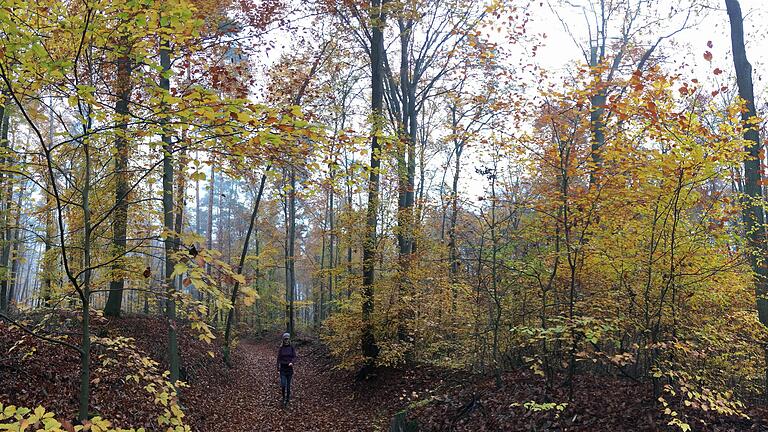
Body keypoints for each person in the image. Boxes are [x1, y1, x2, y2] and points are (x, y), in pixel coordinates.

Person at [277, 332, 296, 407]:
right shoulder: (281, 348)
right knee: (283, 384)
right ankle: (283, 397)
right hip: (283, 368)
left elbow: (295, 356)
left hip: (289, 369)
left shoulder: (291, 347)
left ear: (289, 339)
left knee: (288, 386)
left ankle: (287, 399)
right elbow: (278, 358)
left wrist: (292, 362)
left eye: (287, 338)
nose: (286, 340)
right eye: (285, 339)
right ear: (283, 339)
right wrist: (277, 368)